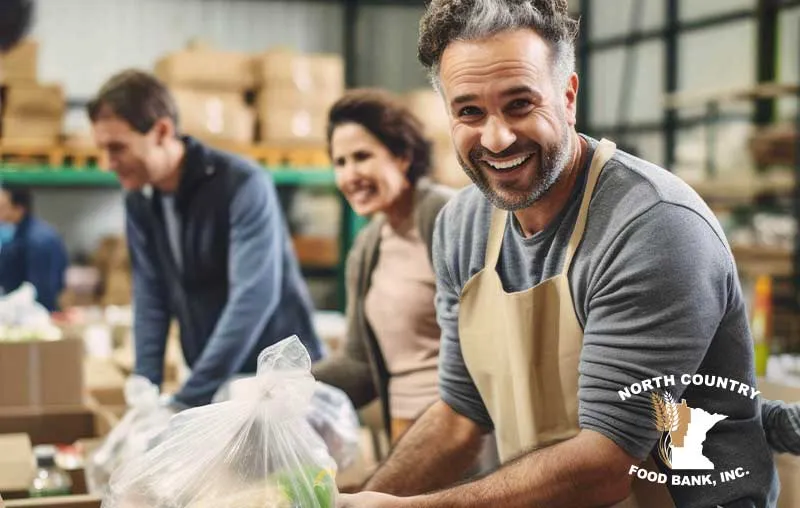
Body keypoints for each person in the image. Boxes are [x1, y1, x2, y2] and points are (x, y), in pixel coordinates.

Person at [339, 1, 800, 507]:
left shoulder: (653, 227)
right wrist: (362, 498)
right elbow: (459, 415)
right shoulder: (461, 226)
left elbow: (607, 463)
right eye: (469, 111)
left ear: (568, 96)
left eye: (520, 104)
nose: (497, 138)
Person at [87, 70, 323, 409]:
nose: (108, 163)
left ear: (162, 132)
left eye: (117, 148)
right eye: (102, 149)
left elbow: (253, 296)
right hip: (216, 379)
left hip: (278, 379)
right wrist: (145, 387)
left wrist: (190, 397)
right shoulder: (140, 199)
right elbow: (151, 295)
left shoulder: (241, 184)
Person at [311, 90, 453, 443]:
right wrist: (291, 387)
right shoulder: (367, 247)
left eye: (362, 156)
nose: (350, 175)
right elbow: (359, 365)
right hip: (405, 432)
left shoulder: (447, 217)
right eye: (340, 162)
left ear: (403, 156)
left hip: (460, 432)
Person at [0, 185, 68, 311]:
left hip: (34, 314)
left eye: (3, 206)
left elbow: (43, 290)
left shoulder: (39, 240)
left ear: (19, 208)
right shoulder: (15, 233)